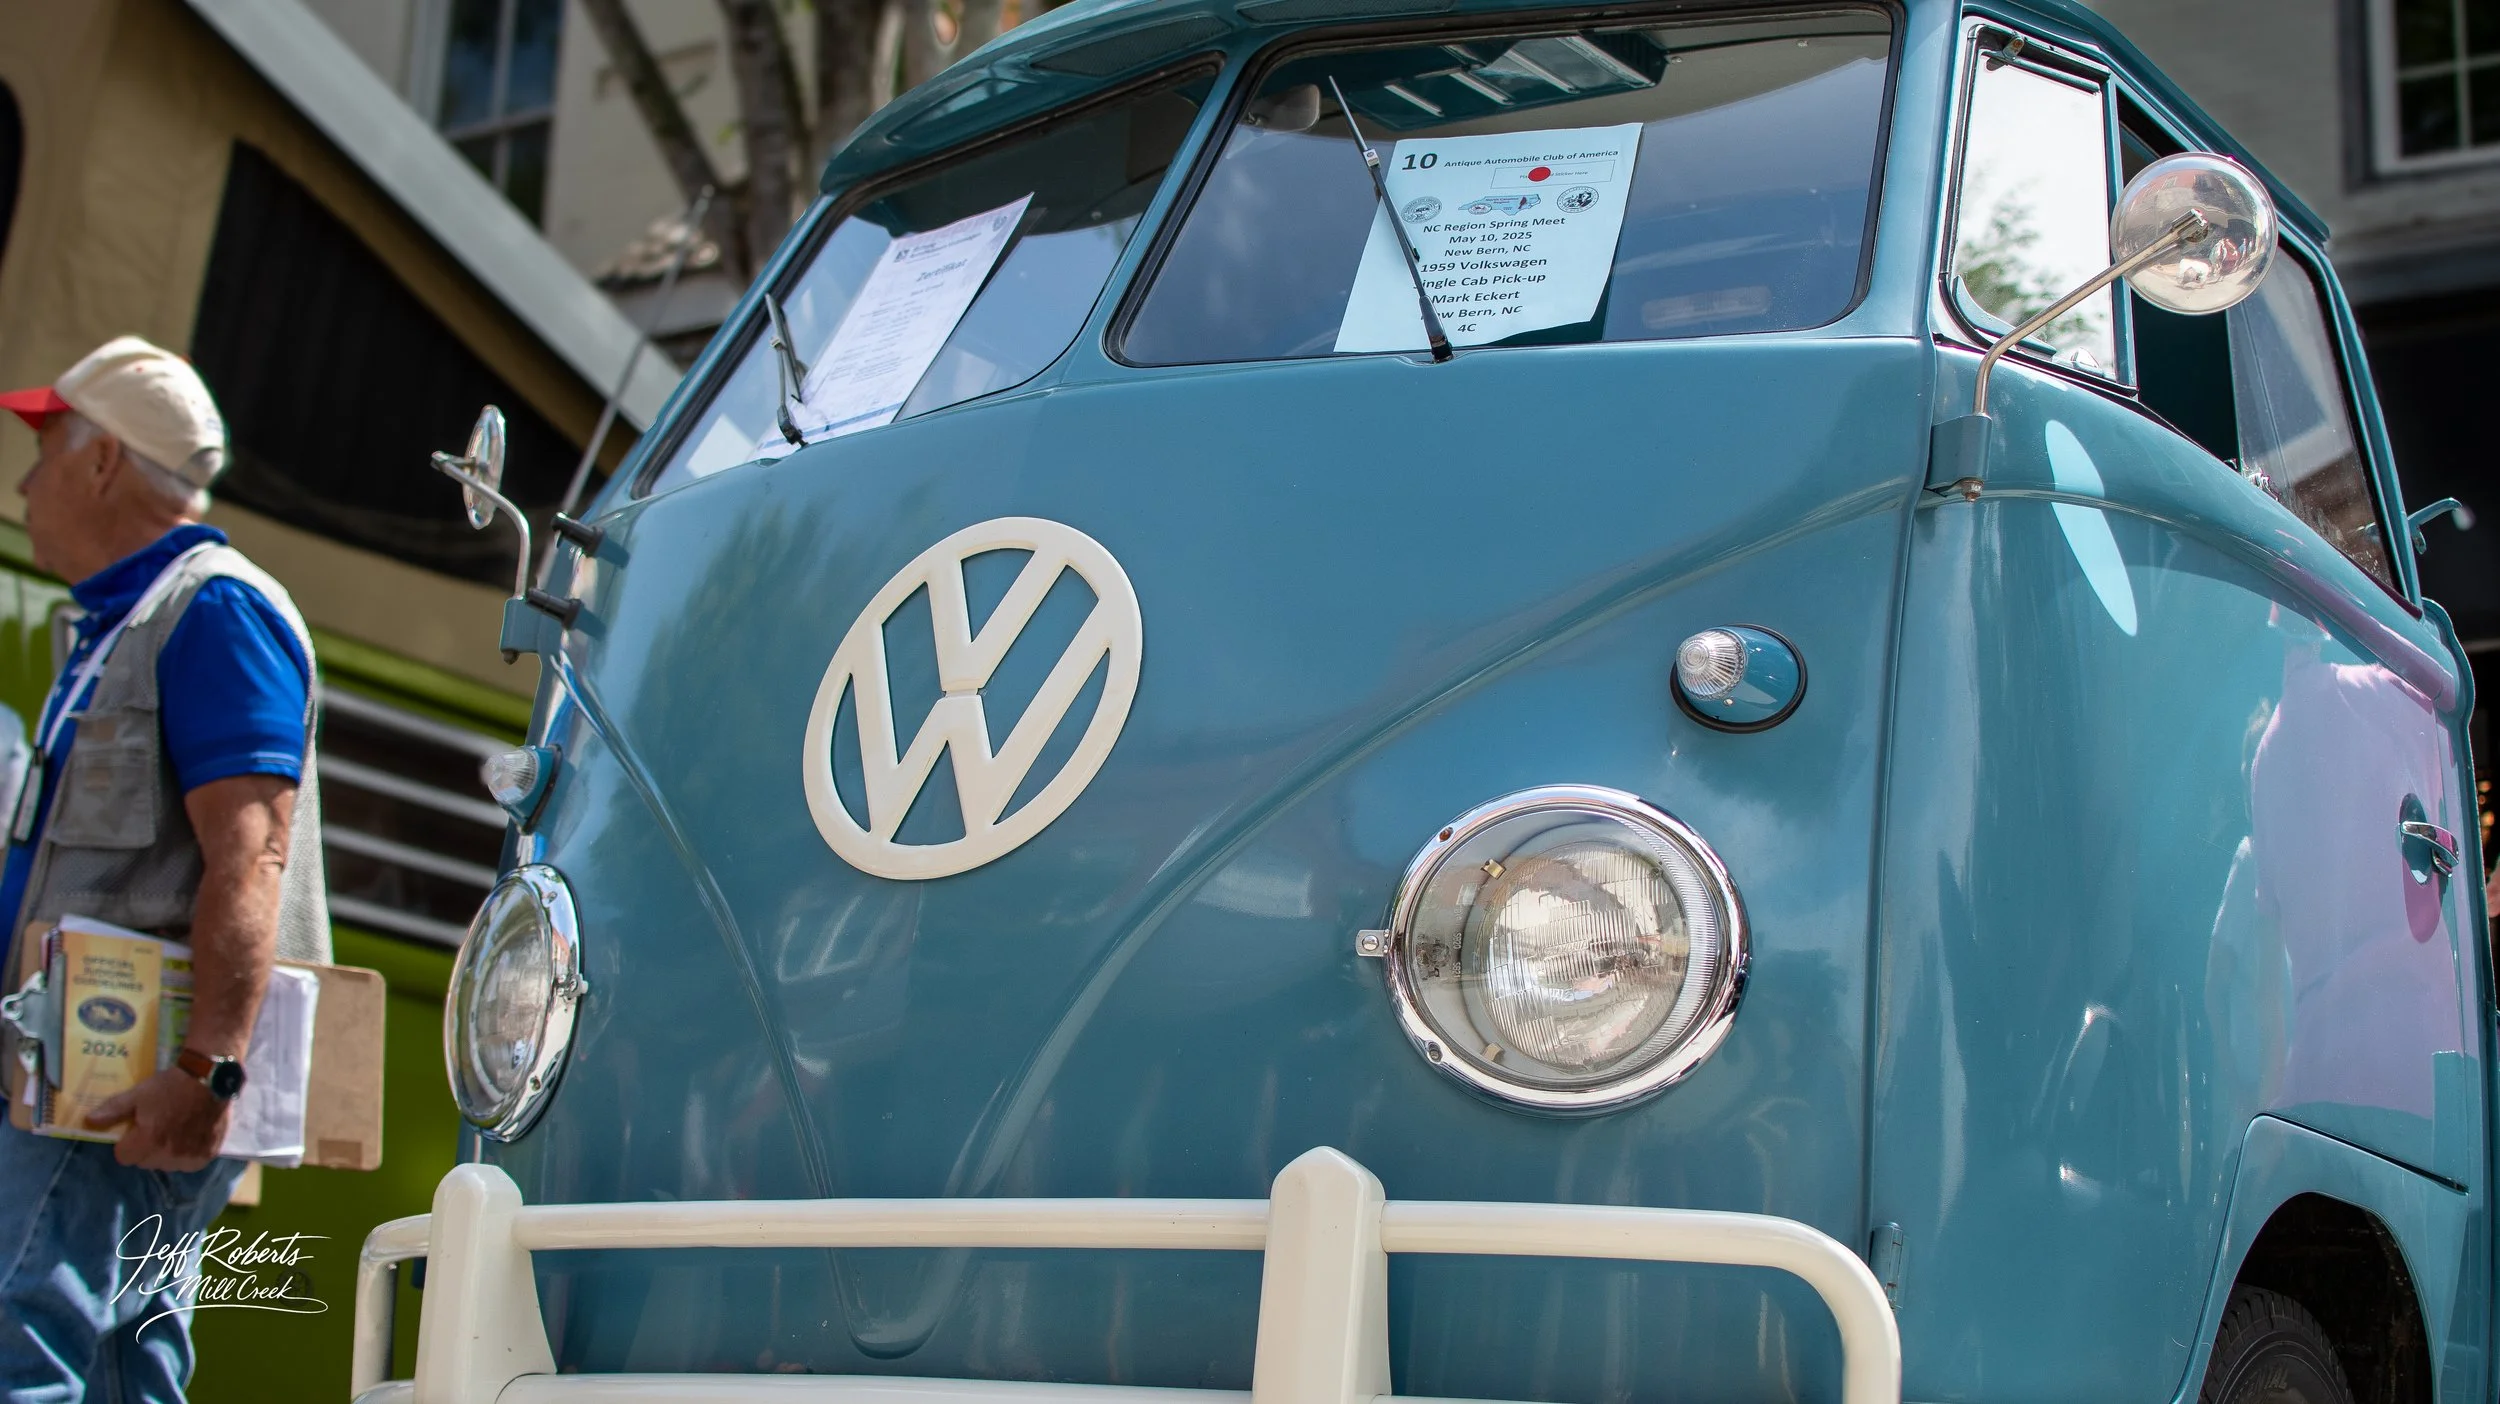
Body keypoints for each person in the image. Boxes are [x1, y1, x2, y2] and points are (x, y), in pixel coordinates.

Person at [0, 337, 329, 1404]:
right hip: (92, 1079)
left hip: (123, 1086)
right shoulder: (128, 620)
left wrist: (205, 1075)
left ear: (102, 466)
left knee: (31, 1344)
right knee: (112, 1363)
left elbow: (254, 853)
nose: (22, 482)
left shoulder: (214, 609)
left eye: (42, 451)